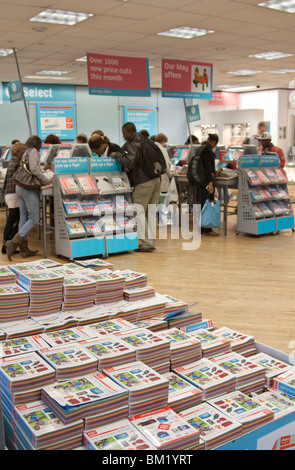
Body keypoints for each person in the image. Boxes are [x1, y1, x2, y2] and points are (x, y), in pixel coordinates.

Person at [110, 122, 161, 252]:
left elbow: (130, 162)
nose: (123, 136)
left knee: (138, 210)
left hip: (143, 181)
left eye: (123, 133)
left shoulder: (134, 143)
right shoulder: (146, 140)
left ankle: (145, 242)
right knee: (150, 212)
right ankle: (150, 242)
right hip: (156, 179)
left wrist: (117, 155)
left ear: (128, 132)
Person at [6, 135, 53, 261]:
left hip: (19, 187)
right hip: (28, 188)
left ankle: (24, 250)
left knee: (23, 217)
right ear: (37, 145)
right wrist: (47, 180)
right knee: (34, 218)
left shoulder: (23, 151)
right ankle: (14, 242)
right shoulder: (32, 152)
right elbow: (34, 169)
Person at [2, 142, 26, 254]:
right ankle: (9, 242)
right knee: (21, 219)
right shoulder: (18, 162)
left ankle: (5, 245)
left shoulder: (11, 160)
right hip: (15, 194)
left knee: (11, 220)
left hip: (8, 193)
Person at [199, 133, 220, 237]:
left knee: (203, 203)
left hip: (201, 179)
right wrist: (210, 183)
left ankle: (202, 227)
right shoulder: (207, 150)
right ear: (214, 142)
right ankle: (207, 229)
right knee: (208, 203)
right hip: (207, 180)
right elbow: (208, 167)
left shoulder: (201, 147)